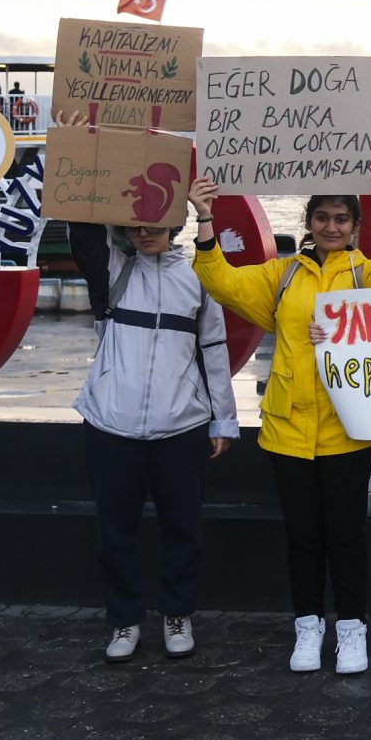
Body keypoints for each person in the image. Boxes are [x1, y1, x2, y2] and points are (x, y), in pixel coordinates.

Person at [189, 170, 371, 676]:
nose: (331, 226)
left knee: (347, 536)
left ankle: (352, 629)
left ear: (355, 225)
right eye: (322, 217)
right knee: (303, 536)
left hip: (347, 429)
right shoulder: (282, 273)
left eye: (341, 218)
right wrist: (204, 216)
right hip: (288, 430)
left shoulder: (368, 273)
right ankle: (308, 627)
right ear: (308, 222)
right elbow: (220, 279)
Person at [68, 211, 238, 664]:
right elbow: (85, 229)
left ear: (173, 228)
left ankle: (177, 614)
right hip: (110, 423)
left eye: (155, 227)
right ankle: (124, 620)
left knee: (183, 529)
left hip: (181, 425)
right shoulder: (114, 271)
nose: (144, 235)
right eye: (136, 227)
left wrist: (223, 419)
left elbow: (215, 349)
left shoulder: (199, 278)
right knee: (115, 532)